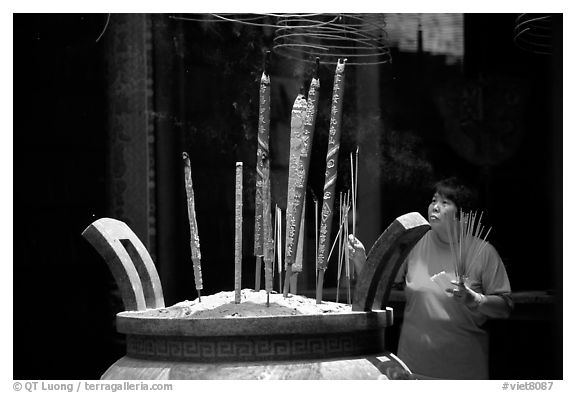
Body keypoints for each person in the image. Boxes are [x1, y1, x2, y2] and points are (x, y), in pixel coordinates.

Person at [348, 177, 513, 379]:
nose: (435, 207)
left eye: (445, 203)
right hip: (413, 365)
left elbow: (505, 307)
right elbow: (378, 287)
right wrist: (361, 261)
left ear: (462, 214)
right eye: (433, 200)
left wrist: (476, 299)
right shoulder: (413, 243)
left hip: (463, 369)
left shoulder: (483, 252)